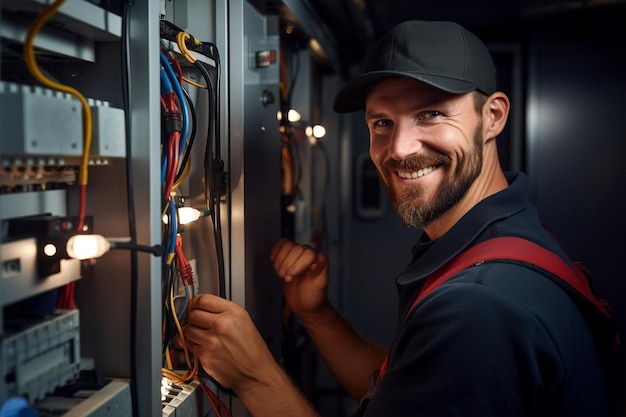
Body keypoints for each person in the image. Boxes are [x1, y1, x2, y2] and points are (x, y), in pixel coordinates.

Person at [184, 20, 606, 416]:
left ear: (492, 116)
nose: (399, 148)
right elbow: (409, 386)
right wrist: (316, 314)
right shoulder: (501, 238)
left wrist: (253, 376)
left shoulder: (479, 305)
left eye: (431, 114)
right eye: (382, 122)